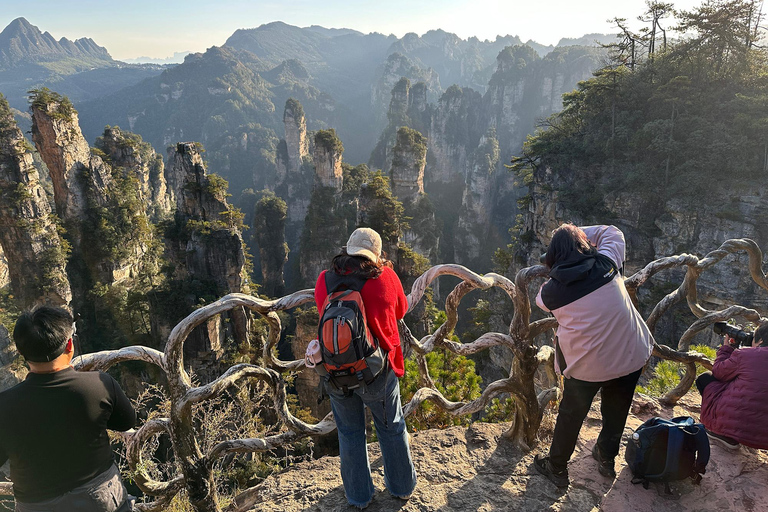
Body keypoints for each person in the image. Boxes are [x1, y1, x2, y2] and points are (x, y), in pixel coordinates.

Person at [533, 224, 654, 487]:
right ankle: (606, 459)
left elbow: (540, 301)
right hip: (629, 355)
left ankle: (557, 468)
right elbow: (613, 231)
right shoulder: (607, 262)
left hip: (587, 367)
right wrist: (576, 231)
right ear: (586, 246)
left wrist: (557, 245)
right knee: (617, 410)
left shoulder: (550, 293)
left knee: (571, 414)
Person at [314, 227, 417, 508]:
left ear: (347, 250)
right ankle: (401, 487)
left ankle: (359, 497)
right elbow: (401, 309)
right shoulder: (385, 278)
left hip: (337, 372)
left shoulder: (325, 279)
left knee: (349, 433)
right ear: (376, 254)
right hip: (376, 372)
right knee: (391, 428)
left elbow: (322, 310)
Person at [0, 306, 136, 512]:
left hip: (35, 505)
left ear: (20, 351)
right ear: (70, 344)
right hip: (99, 499)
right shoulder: (99, 384)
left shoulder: (4, 404)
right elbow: (126, 422)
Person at [696, 321, 768, 450]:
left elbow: (718, 373)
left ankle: (725, 434)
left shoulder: (745, 355)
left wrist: (726, 349)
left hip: (738, 428)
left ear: (761, 340)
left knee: (705, 379)